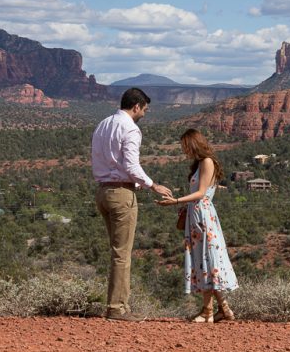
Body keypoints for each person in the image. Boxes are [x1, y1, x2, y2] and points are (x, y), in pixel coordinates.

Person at [91, 87, 173, 322]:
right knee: (122, 254)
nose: (144, 114)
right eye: (144, 110)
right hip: (121, 194)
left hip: (103, 192)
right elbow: (131, 166)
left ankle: (115, 305)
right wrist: (152, 185)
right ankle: (117, 308)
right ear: (136, 106)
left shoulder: (103, 124)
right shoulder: (130, 129)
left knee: (116, 251)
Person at [159, 128, 238, 323]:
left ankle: (207, 311)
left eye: (186, 145)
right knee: (204, 260)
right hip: (197, 216)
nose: (184, 150)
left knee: (205, 260)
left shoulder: (207, 162)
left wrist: (176, 200)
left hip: (202, 216)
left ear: (193, 143)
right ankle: (223, 310)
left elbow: (201, 193)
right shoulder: (200, 163)